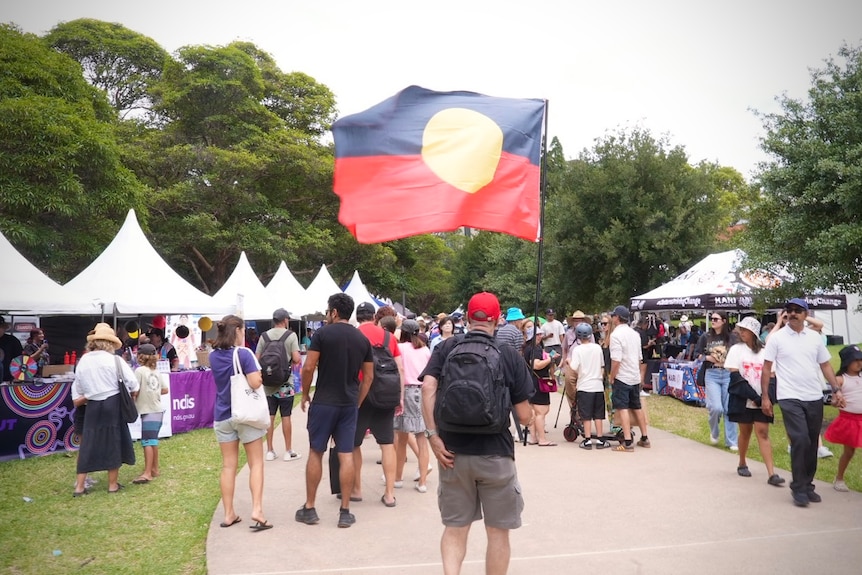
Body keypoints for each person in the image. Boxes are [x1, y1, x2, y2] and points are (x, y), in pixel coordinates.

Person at [420, 292, 534, 575]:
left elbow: (427, 388)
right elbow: (523, 415)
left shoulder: (446, 348)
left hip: (451, 454)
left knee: (455, 529)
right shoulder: (508, 355)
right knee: (497, 534)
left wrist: (433, 435)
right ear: (497, 320)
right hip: (496, 454)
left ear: (469, 318)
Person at [297, 293, 374, 529]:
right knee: (346, 454)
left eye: (328, 310)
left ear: (334, 312)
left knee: (316, 452)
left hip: (324, 402)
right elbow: (369, 376)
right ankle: (345, 511)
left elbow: (309, 366)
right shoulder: (362, 340)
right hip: (348, 403)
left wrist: (306, 392)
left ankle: (310, 508)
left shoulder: (321, 334)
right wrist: (358, 401)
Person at [760, 298, 844, 507]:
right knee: (800, 439)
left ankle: (807, 484)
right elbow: (766, 367)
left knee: (812, 442)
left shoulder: (814, 338)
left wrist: (836, 390)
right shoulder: (777, 339)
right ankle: (798, 487)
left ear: (806, 315)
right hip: (789, 396)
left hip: (813, 396)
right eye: (789, 310)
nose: (793, 314)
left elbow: (825, 365)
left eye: (798, 310)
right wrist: (765, 397)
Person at [208, 314, 271, 530]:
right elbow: (254, 382)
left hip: (223, 414)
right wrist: (260, 376)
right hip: (245, 414)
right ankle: (257, 509)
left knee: (228, 466)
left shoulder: (214, 355)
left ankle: (228, 513)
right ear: (238, 331)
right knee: (256, 463)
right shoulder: (244, 354)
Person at [71, 323, 138, 496]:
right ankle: (112, 485)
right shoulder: (114, 359)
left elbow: (78, 386)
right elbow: (132, 383)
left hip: (92, 404)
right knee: (113, 442)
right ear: (110, 343)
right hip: (112, 403)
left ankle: (79, 487)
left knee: (88, 444)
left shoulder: (84, 360)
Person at [353, 301, 404, 507]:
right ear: (374, 317)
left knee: (355, 444)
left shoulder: (354, 336)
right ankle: (389, 493)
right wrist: (399, 396)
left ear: (357, 317)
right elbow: (399, 367)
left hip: (359, 395)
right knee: (386, 444)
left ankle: (356, 489)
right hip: (385, 394)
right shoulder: (389, 337)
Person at [724, 317, 785, 486]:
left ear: (753, 333)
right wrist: (756, 398)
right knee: (745, 432)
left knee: (763, 432)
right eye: (740, 329)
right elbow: (736, 378)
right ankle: (742, 462)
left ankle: (771, 473)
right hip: (744, 399)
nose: (741, 333)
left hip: (763, 399)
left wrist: (767, 398)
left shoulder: (765, 352)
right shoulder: (736, 350)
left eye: (744, 330)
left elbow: (772, 377)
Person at [257, 308, 303, 462]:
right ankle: (288, 451)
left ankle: (270, 450)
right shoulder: (290, 335)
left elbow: (257, 358)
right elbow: (296, 358)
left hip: (268, 385)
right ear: (285, 320)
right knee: (286, 416)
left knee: (270, 416)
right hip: (285, 383)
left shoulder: (264, 336)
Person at [393, 318, 433, 493]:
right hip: (422, 391)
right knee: (422, 438)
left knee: (401, 439)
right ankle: (422, 482)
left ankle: (398, 477)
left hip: (405, 391)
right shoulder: (425, 350)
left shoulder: (400, 348)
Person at [608, 305, 651, 452]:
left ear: (617, 318)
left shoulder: (615, 335)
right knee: (637, 407)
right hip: (634, 376)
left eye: (613, 316)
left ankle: (627, 441)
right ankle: (645, 437)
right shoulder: (635, 334)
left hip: (622, 376)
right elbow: (639, 358)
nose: (612, 318)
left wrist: (612, 376)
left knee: (623, 408)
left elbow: (616, 360)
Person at [695, 311, 738, 451]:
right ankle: (714, 431)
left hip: (727, 373)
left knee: (729, 408)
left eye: (716, 319)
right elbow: (697, 354)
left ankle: (731, 441)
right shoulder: (705, 337)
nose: (713, 321)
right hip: (711, 373)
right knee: (716, 407)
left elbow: (738, 353)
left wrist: (726, 358)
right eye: (711, 319)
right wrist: (708, 358)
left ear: (724, 321)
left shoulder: (731, 337)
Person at [825, 345, 862, 492]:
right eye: (855, 360)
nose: (859, 363)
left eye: (861, 359)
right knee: (849, 452)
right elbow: (832, 399)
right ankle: (839, 478)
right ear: (847, 362)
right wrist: (836, 402)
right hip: (849, 420)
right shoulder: (840, 380)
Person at [132, 343, 169, 485]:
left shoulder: (139, 371)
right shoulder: (156, 372)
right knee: (153, 441)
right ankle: (154, 468)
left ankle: (147, 473)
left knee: (147, 441)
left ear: (140, 356)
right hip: (158, 410)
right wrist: (153, 391)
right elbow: (165, 390)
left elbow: (135, 390)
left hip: (148, 410)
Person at [569, 322, 608, 449]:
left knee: (586, 415)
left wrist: (568, 361)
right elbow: (602, 366)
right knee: (598, 414)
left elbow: (574, 368)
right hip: (597, 385)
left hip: (584, 386)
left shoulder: (577, 350)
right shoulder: (597, 348)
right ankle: (601, 439)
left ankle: (587, 439)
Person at [522, 319, 555, 446]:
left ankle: (533, 437)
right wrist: (550, 359)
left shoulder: (527, 348)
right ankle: (542, 439)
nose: (541, 336)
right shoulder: (535, 349)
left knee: (534, 412)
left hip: (530, 382)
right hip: (538, 382)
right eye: (538, 334)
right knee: (541, 411)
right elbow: (536, 365)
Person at [0, 316, 24, 382]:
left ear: (4, 328)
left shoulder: (12, 340)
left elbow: (20, 360)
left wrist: (18, 376)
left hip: (9, 379)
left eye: (1, 327)